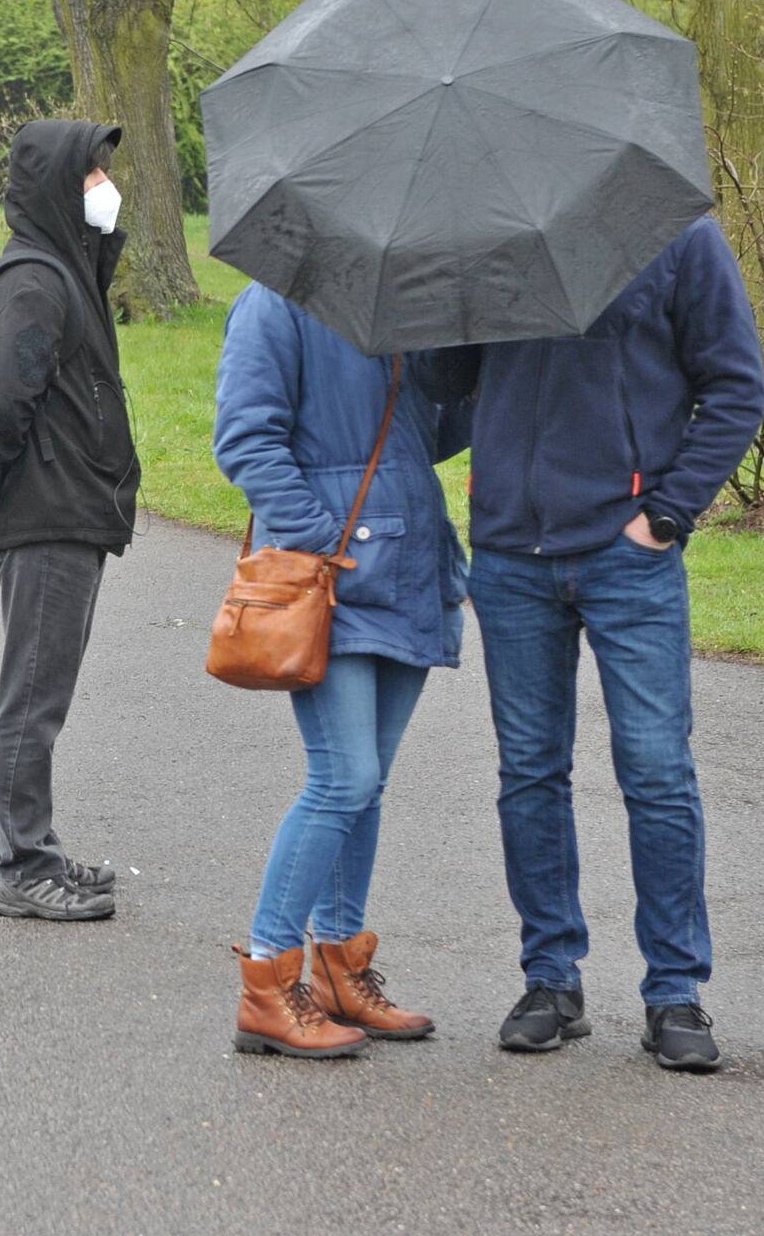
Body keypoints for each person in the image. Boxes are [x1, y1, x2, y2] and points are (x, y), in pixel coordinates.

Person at [419, 215, 764, 1071]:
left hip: (628, 555)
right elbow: (446, 382)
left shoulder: (675, 235)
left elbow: (736, 384)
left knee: (656, 770)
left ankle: (676, 993)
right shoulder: (489, 239)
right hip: (510, 554)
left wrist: (668, 515)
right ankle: (550, 979)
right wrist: (444, 295)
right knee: (530, 771)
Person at [214, 282, 468, 1056]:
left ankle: (339, 966)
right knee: (343, 778)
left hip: (411, 566)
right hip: (331, 577)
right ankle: (268, 979)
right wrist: (322, 536)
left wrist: (464, 361)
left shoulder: (407, 307)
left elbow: (432, 434)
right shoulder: (274, 306)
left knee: (369, 783)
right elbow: (245, 440)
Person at [0, 119, 139, 921]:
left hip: (69, 505)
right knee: (32, 694)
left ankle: (39, 850)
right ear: (57, 189)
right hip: (47, 508)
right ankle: (23, 866)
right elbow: (5, 400)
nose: (104, 190)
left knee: (43, 690)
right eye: (91, 177)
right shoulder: (32, 282)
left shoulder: (63, 271)